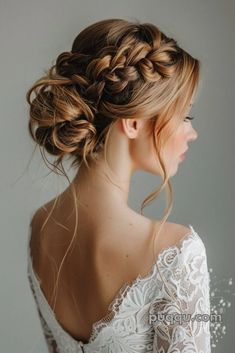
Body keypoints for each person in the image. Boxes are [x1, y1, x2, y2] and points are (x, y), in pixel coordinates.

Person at [26, 18, 211, 353]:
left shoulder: (41, 226)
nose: (191, 133)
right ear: (134, 123)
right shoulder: (177, 256)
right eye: (185, 115)